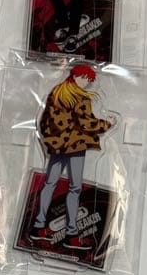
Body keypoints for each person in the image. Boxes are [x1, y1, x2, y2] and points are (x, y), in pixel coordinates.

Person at [29, 65, 113, 251]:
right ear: (75, 76)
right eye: (85, 78)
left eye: (89, 80)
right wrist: (107, 124)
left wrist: (50, 141)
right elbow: (87, 123)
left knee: (50, 184)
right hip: (75, 147)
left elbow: (44, 121)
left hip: (58, 147)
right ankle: (72, 234)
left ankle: (38, 226)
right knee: (74, 188)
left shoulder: (57, 92)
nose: (86, 83)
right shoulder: (80, 97)